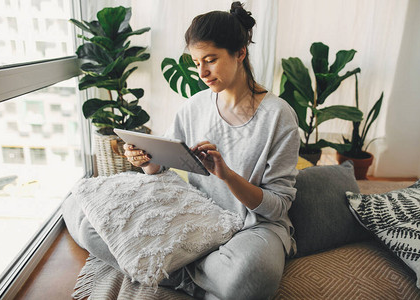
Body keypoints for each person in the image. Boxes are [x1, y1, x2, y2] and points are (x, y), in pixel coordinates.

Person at [123, 2, 300, 299]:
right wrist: (144, 158)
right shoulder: (194, 107)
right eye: (195, 63)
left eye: (211, 60)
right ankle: (203, 276)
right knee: (92, 216)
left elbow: (277, 207)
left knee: (254, 276)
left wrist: (227, 175)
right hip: (202, 219)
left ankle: (172, 271)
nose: (202, 72)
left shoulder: (278, 116)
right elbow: (159, 167)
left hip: (254, 228)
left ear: (240, 53)